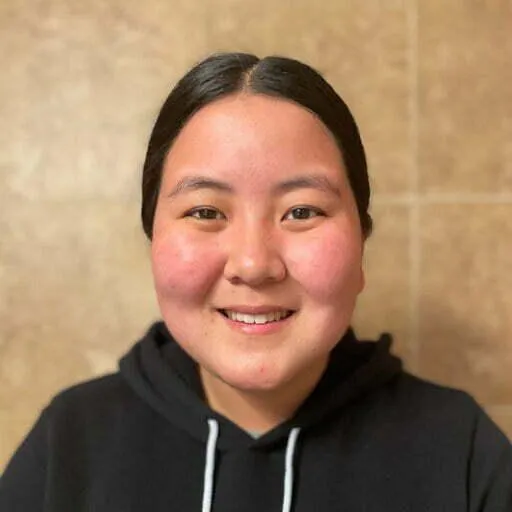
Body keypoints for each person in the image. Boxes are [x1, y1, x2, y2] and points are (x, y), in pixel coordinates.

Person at [1, 52, 511, 512]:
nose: (253, 263)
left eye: (302, 211)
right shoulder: (69, 444)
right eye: (205, 211)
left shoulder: (461, 452)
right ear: (152, 238)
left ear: (362, 243)